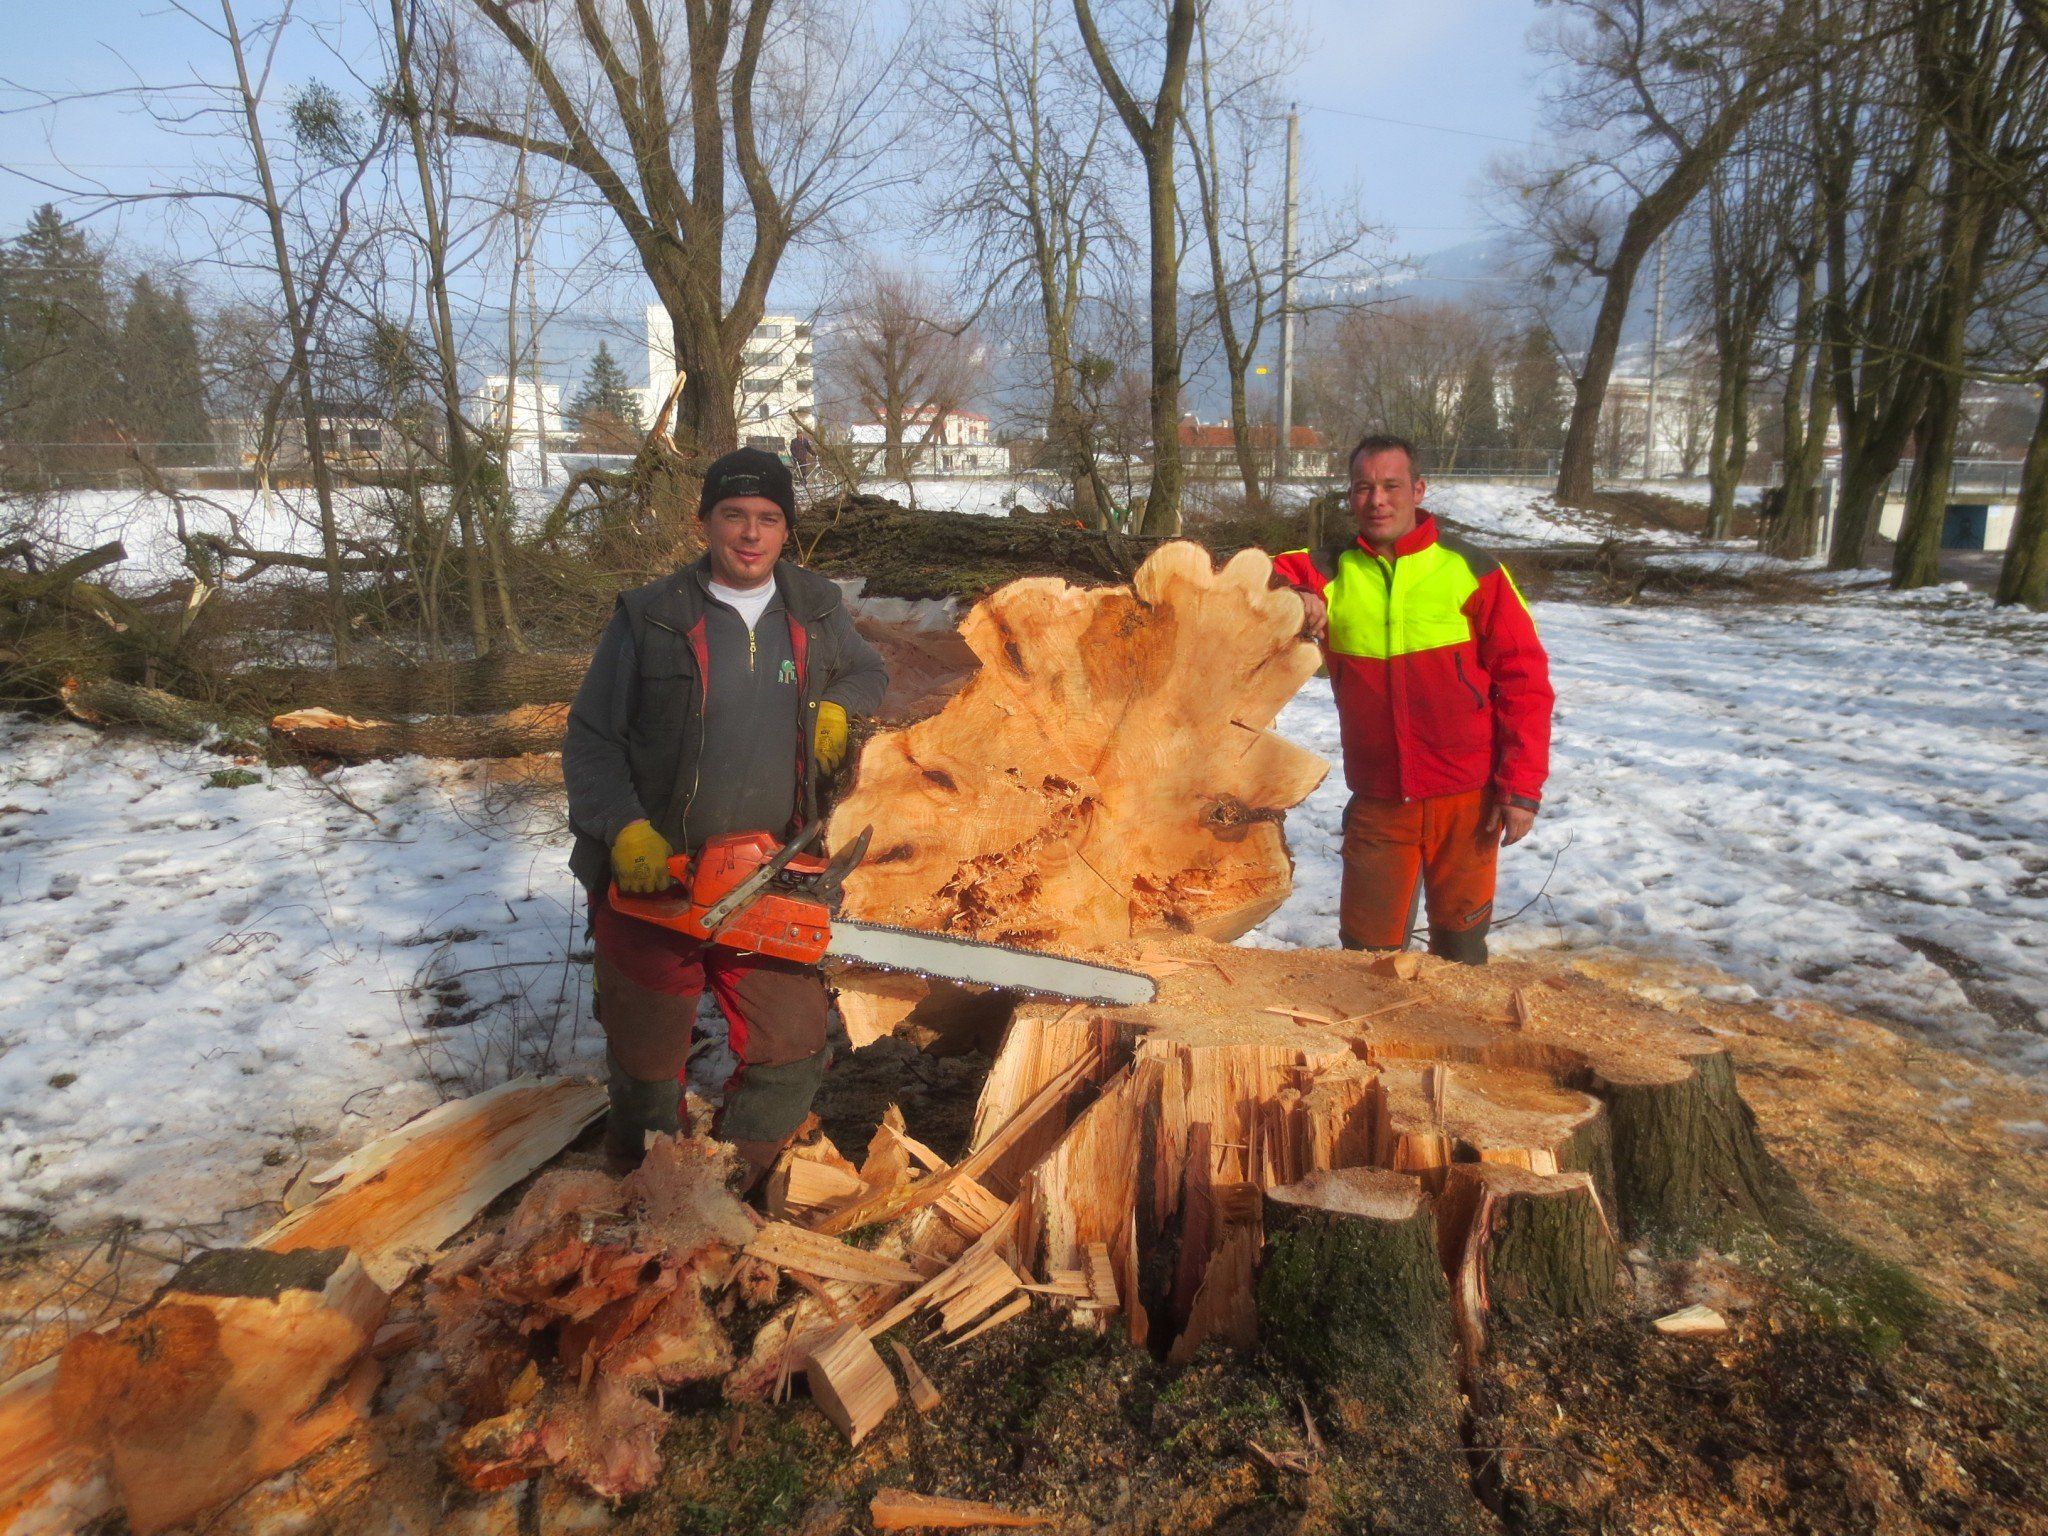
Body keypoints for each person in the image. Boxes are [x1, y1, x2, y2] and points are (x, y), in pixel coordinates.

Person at [563, 447, 887, 1180]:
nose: (750, 534)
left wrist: (842, 707)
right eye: (733, 516)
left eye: (768, 519)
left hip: (771, 873)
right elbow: (591, 739)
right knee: (646, 1072)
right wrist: (624, 829)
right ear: (704, 521)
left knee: (795, 1045)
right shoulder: (651, 616)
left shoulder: (815, 607)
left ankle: (736, 1183)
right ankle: (646, 1187)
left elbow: (870, 670)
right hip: (661, 881)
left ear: (786, 530)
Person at [1271, 434, 1553, 964]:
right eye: (1363, 488)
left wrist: (1521, 787)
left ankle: (1455, 1040)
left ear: (1418, 490)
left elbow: (1525, 683)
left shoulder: (1474, 570)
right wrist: (1294, 595)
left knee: (1461, 947)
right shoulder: (1329, 569)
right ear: (1350, 497)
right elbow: (1251, 573)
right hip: (1379, 798)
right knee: (1366, 954)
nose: (1377, 500)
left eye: (1391, 486)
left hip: (1468, 799)